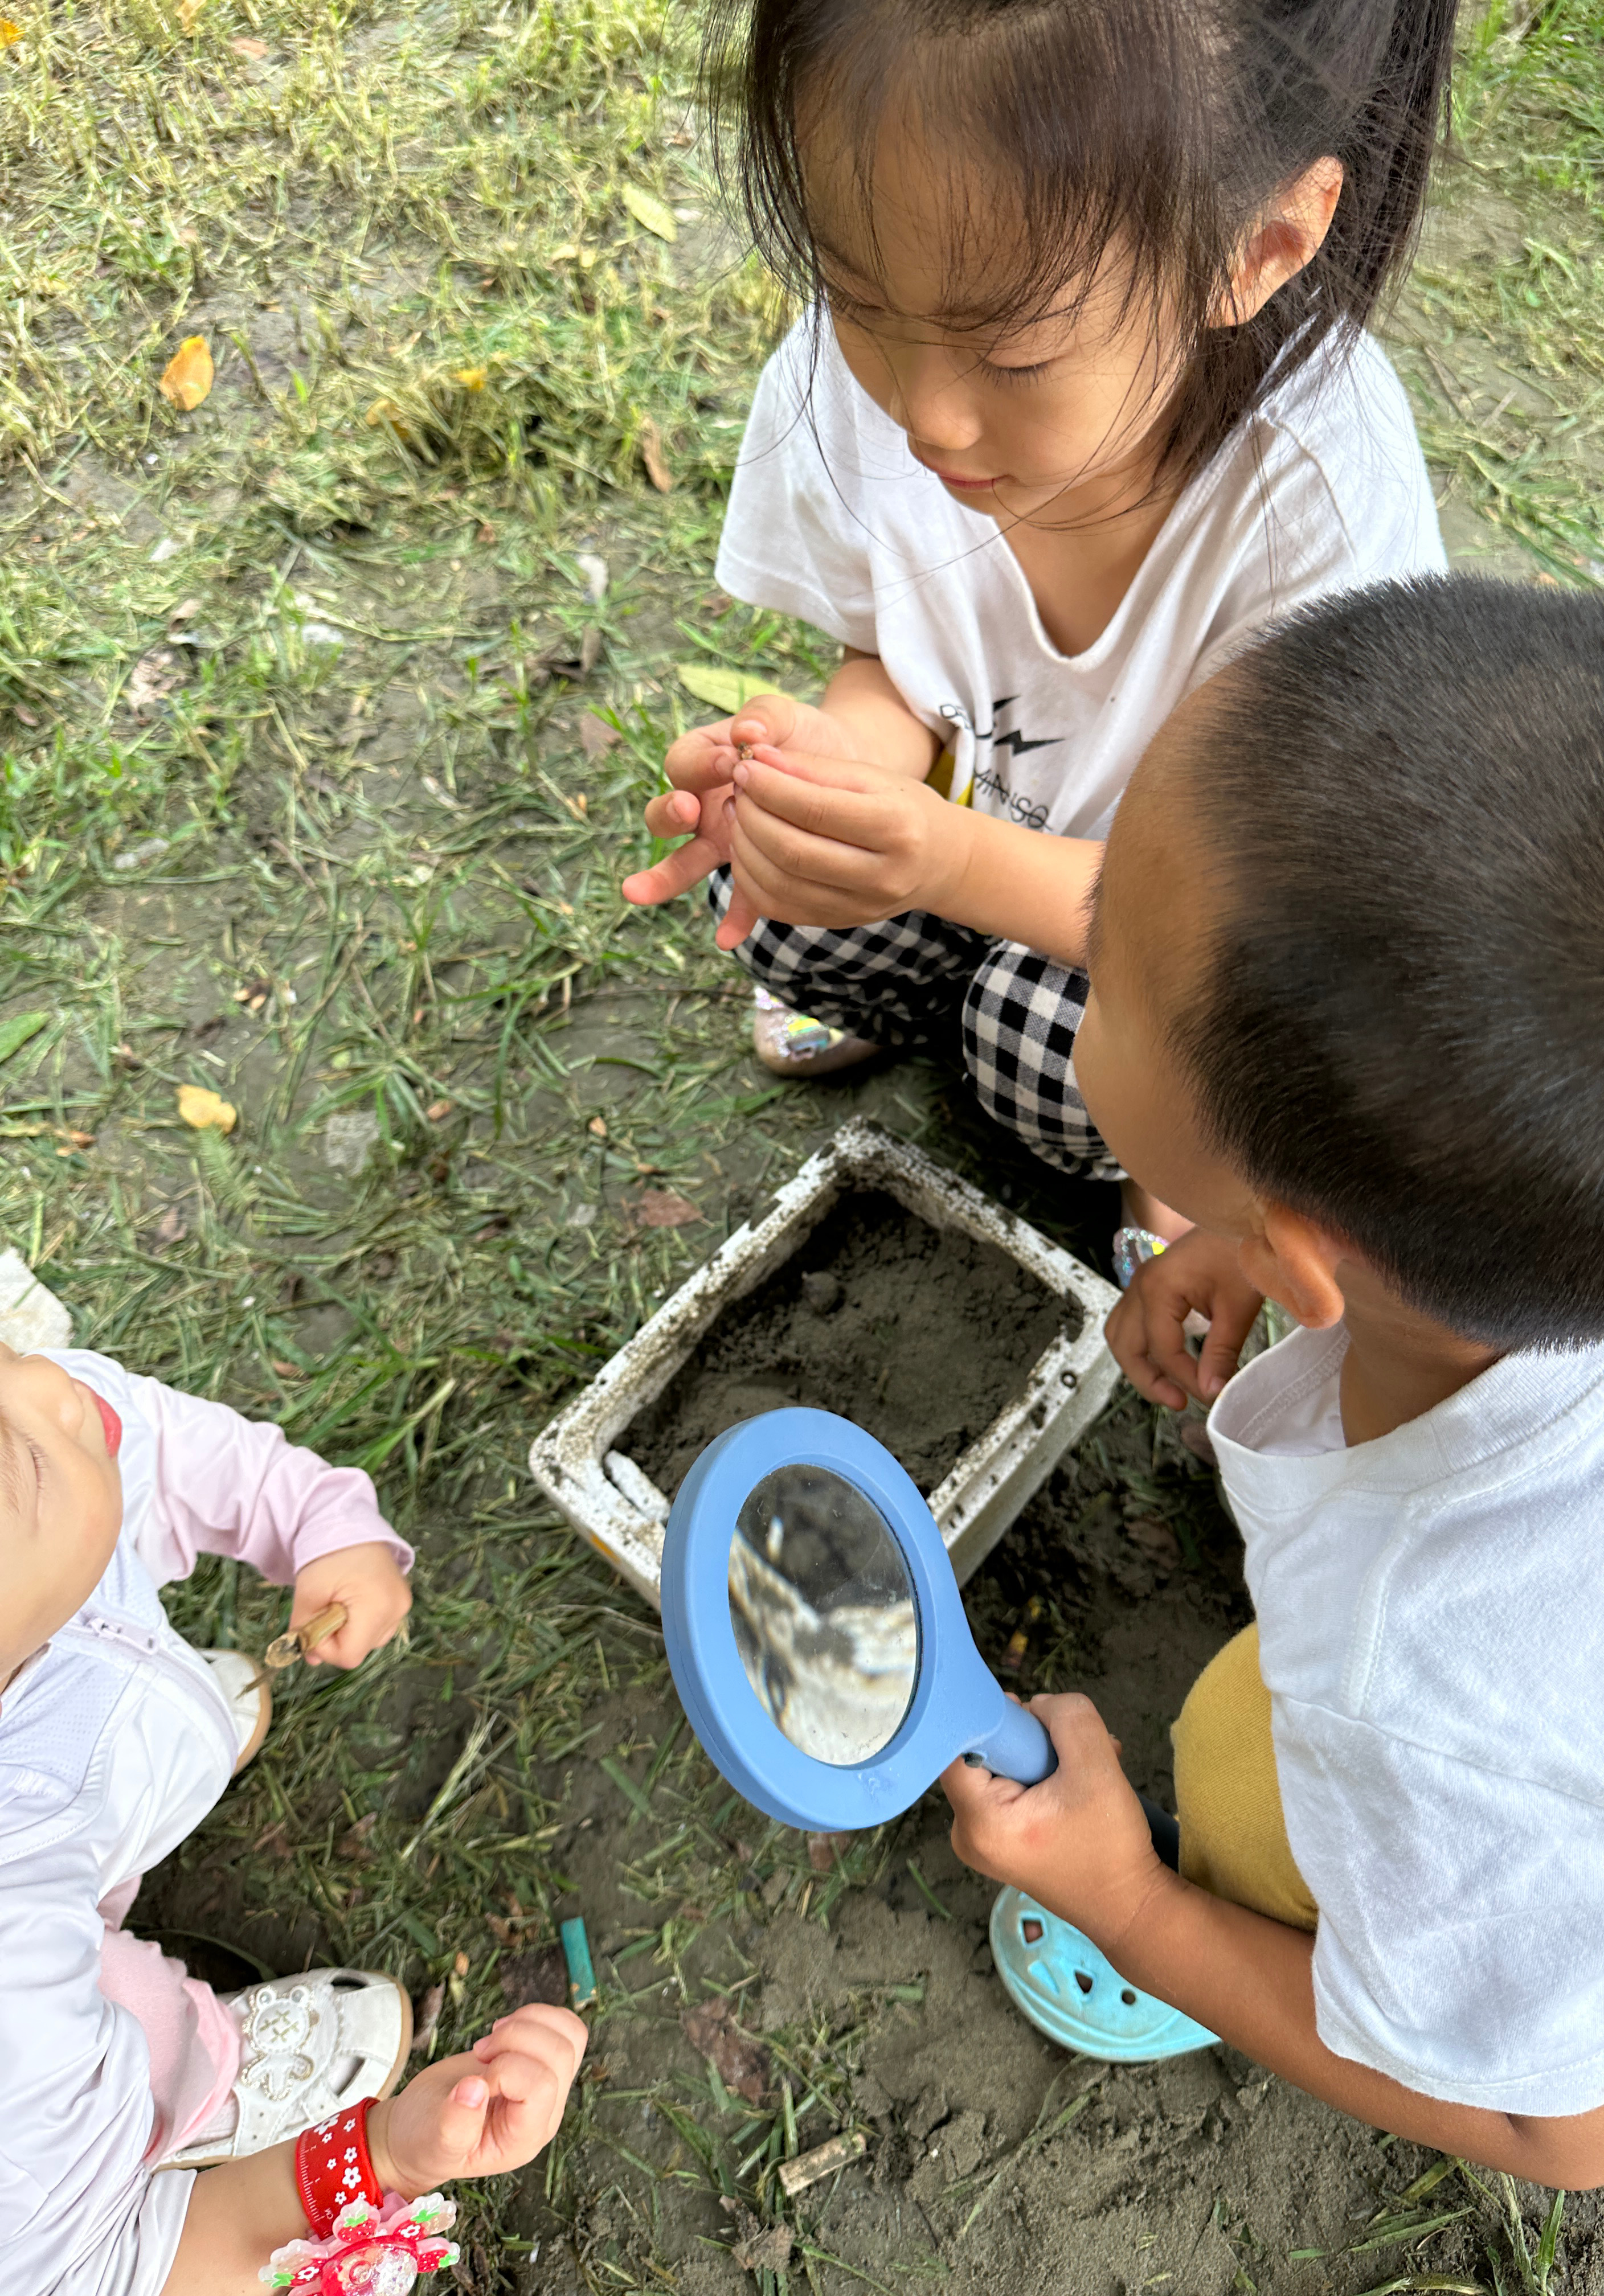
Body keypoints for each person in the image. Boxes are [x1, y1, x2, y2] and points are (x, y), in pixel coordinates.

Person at [943, 576, 1604, 2187]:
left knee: (1245, 1767)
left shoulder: (1423, 1689)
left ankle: (1248, 1913)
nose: (1084, 963)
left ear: (1316, 1253)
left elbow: (1565, 2134)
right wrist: (1260, 1237)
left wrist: (1135, 1906)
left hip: (1550, 1779)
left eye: (1105, 962)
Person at [623, 0, 1454, 1247]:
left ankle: (1172, 1173)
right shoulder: (881, 358)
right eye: (857, 299)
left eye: (1010, 354)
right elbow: (895, 663)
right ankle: (905, 981)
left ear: (1258, 247)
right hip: (975, 836)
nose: (925, 419)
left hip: (1186, 920)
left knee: (1046, 1059)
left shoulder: (1315, 509)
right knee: (778, 892)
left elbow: (1254, 923)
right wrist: (822, 782)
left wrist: (940, 861)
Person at [0, 1342, 586, 2294]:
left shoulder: (41, 1470)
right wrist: (380, 2161)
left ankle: (158, 1729)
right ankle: (195, 2084)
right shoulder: (17, 2018)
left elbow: (161, 1445)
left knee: (130, 1765)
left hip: (70, 1810)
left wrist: (323, 1523)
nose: (50, 1384)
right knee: (135, 2031)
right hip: (49, 2025)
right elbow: (121, 2272)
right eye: (22, 1463)